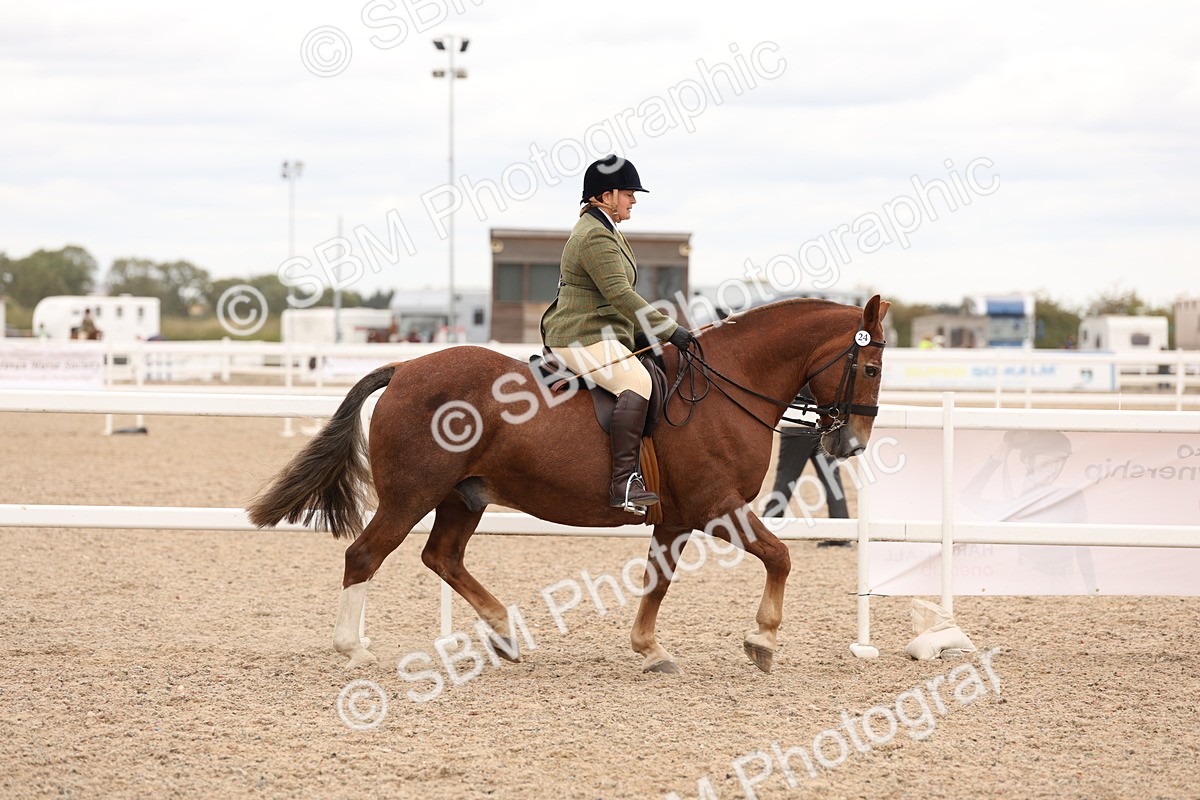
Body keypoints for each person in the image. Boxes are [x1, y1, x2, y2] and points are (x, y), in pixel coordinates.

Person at [540, 155, 694, 513]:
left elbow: (619, 299)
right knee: (637, 383)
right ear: (606, 195)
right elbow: (620, 295)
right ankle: (624, 483)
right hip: (580, 335)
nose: (633, 200)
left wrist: (649, 336)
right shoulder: (594, 235)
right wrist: (670, 330)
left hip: (604, 331)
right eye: (628, 193)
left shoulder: (609, 231)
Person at [763, 385, 850, 547]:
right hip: (824, 422)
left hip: (798, 424)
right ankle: (841, 532)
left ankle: (767, 526)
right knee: (831, 477)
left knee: (786, 476)